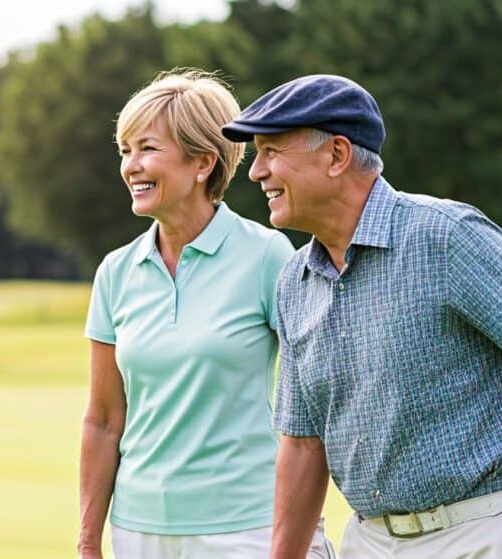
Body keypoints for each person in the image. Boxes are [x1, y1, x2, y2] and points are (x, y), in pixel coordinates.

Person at [220, 74, 502, 559]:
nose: (255, 171)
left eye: (272, 151)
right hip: (367, 542)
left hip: (480, 537)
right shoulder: (294, 283)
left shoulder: (444, 236)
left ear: (337, 155)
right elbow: (303, 444)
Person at [78, 69, 334, 558]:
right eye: (125, 150)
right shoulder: (115, 272)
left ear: (202, 163)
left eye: (147, 148)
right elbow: (104, 420)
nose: (131, 165)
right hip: (139, 531)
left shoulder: (266, 256)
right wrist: (89, 539)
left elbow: (317, 400)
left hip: (248, 528)